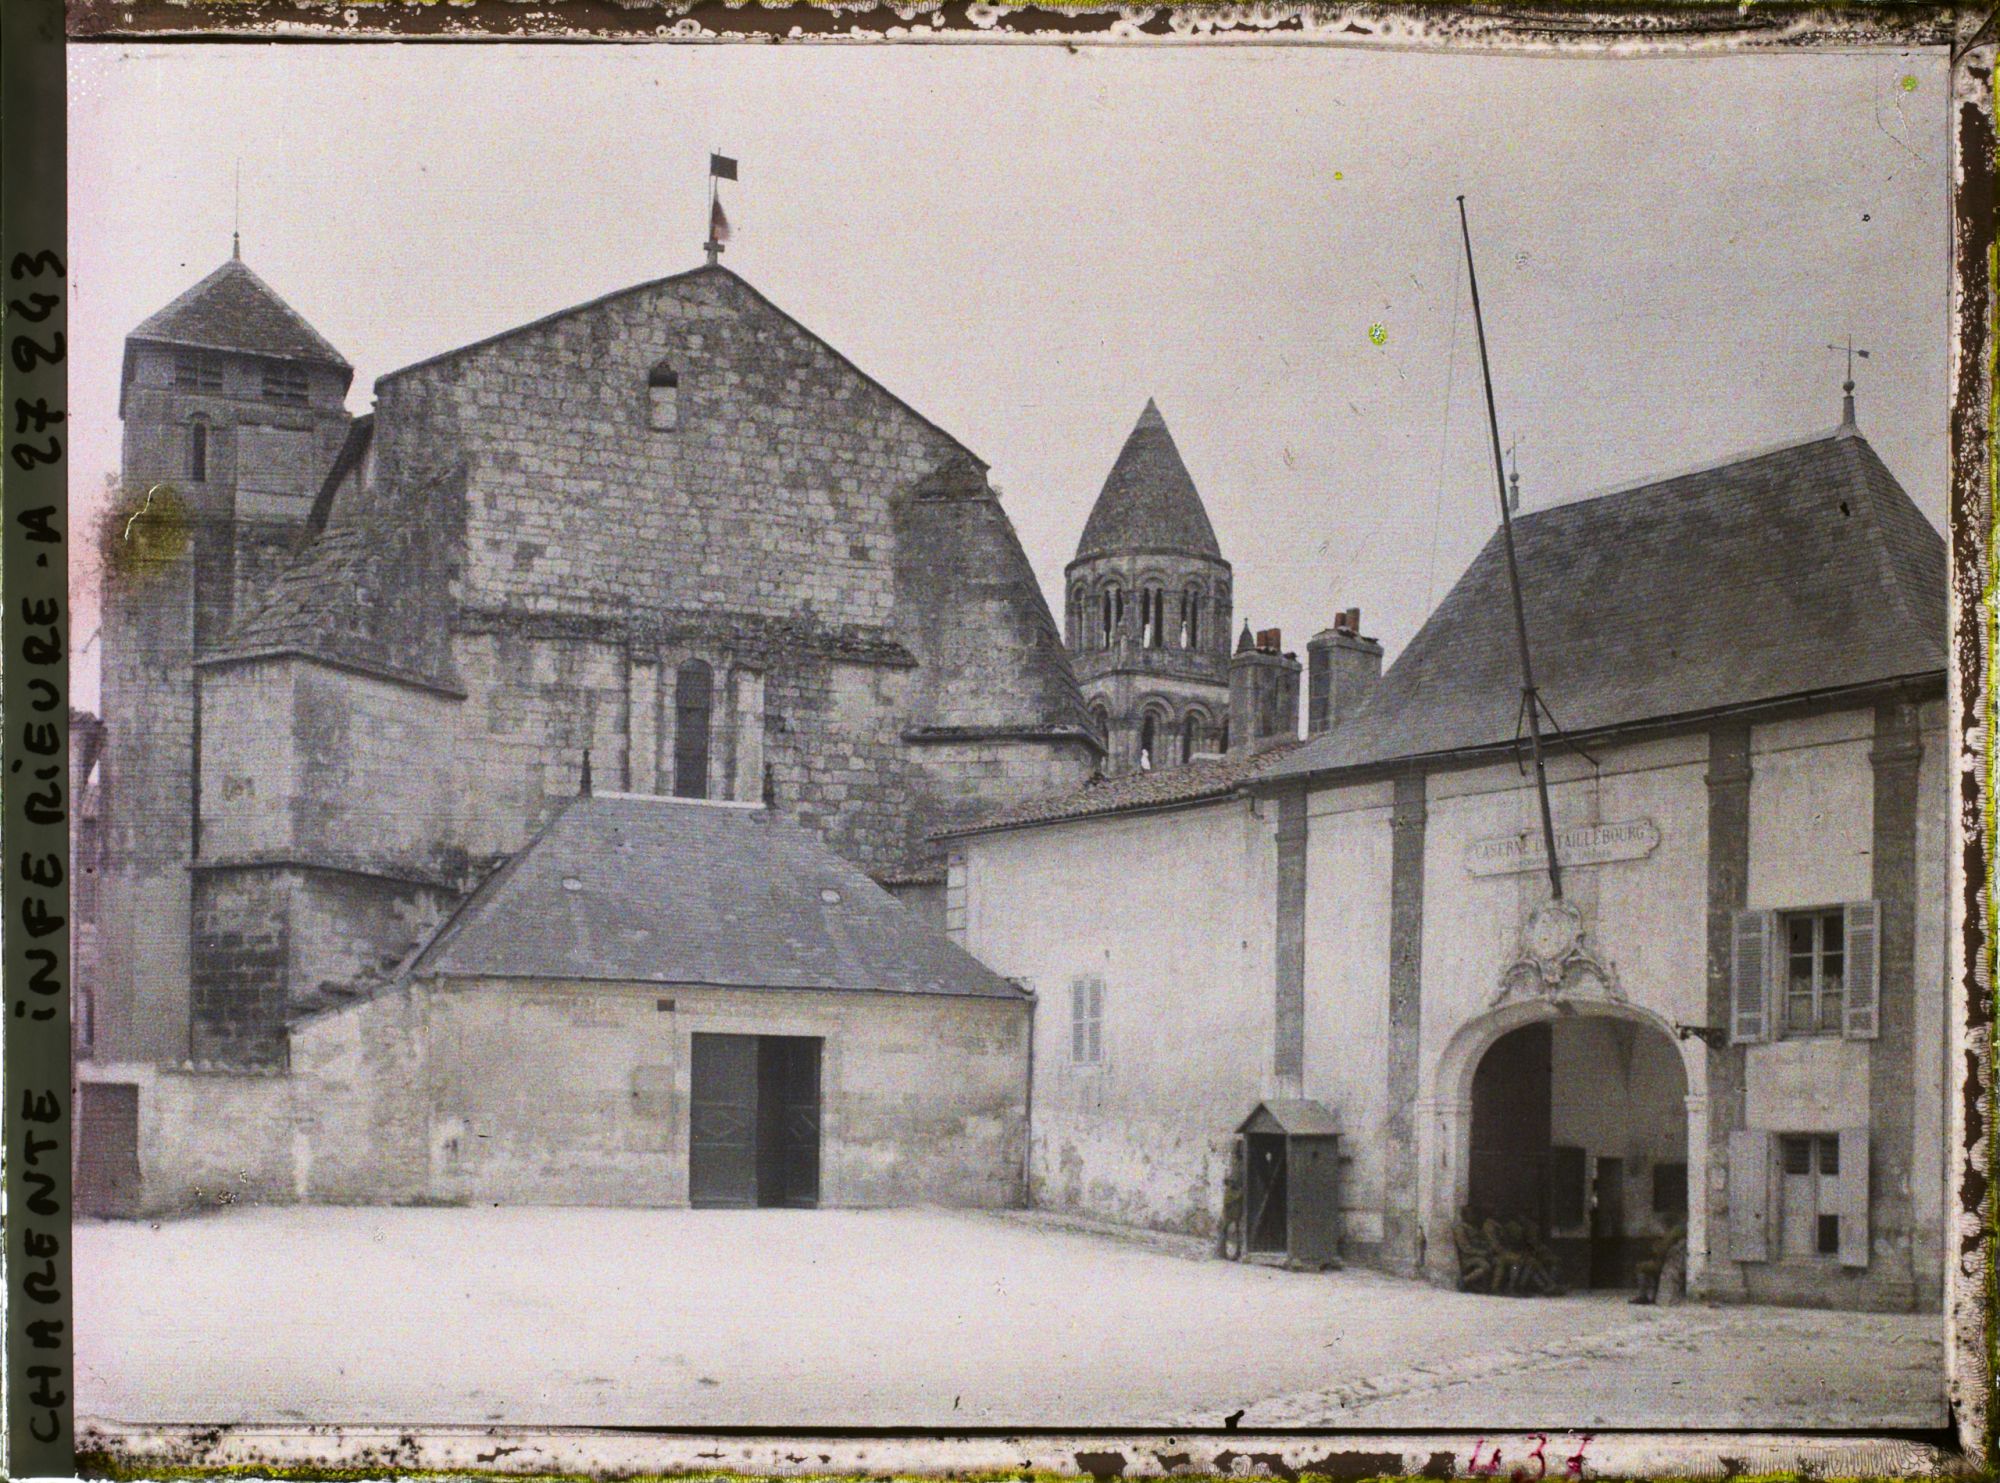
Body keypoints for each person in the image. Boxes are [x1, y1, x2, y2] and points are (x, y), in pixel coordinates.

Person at [1214, 1140, 1245, 1260]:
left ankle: (1236, 1252)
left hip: (1236, 1197)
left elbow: (1237, 1180)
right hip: (1231, 1197)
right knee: (1227, 1225)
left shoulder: (1241, 1165)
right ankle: (1223, 1252)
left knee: (1236, 1226)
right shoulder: (1236, 1163)